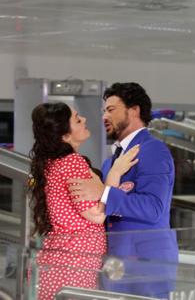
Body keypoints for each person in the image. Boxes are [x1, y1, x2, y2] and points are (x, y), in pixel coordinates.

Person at [68, 82, 178, 298]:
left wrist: (104, 192)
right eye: (103, 111)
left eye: (111, 110)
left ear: (134, 110)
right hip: (116, 264)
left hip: (146, 265)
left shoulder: (153, 150)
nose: (104, 117)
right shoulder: (111, 163)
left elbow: (154, 208)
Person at [27, 103, 138, 300]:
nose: (84, 120)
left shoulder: (52, 163)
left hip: (58, 263)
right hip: (72, 265)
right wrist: (116, 172)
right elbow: (96, 215)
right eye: (77, 119)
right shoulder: (72, 162)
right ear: (65, 136)